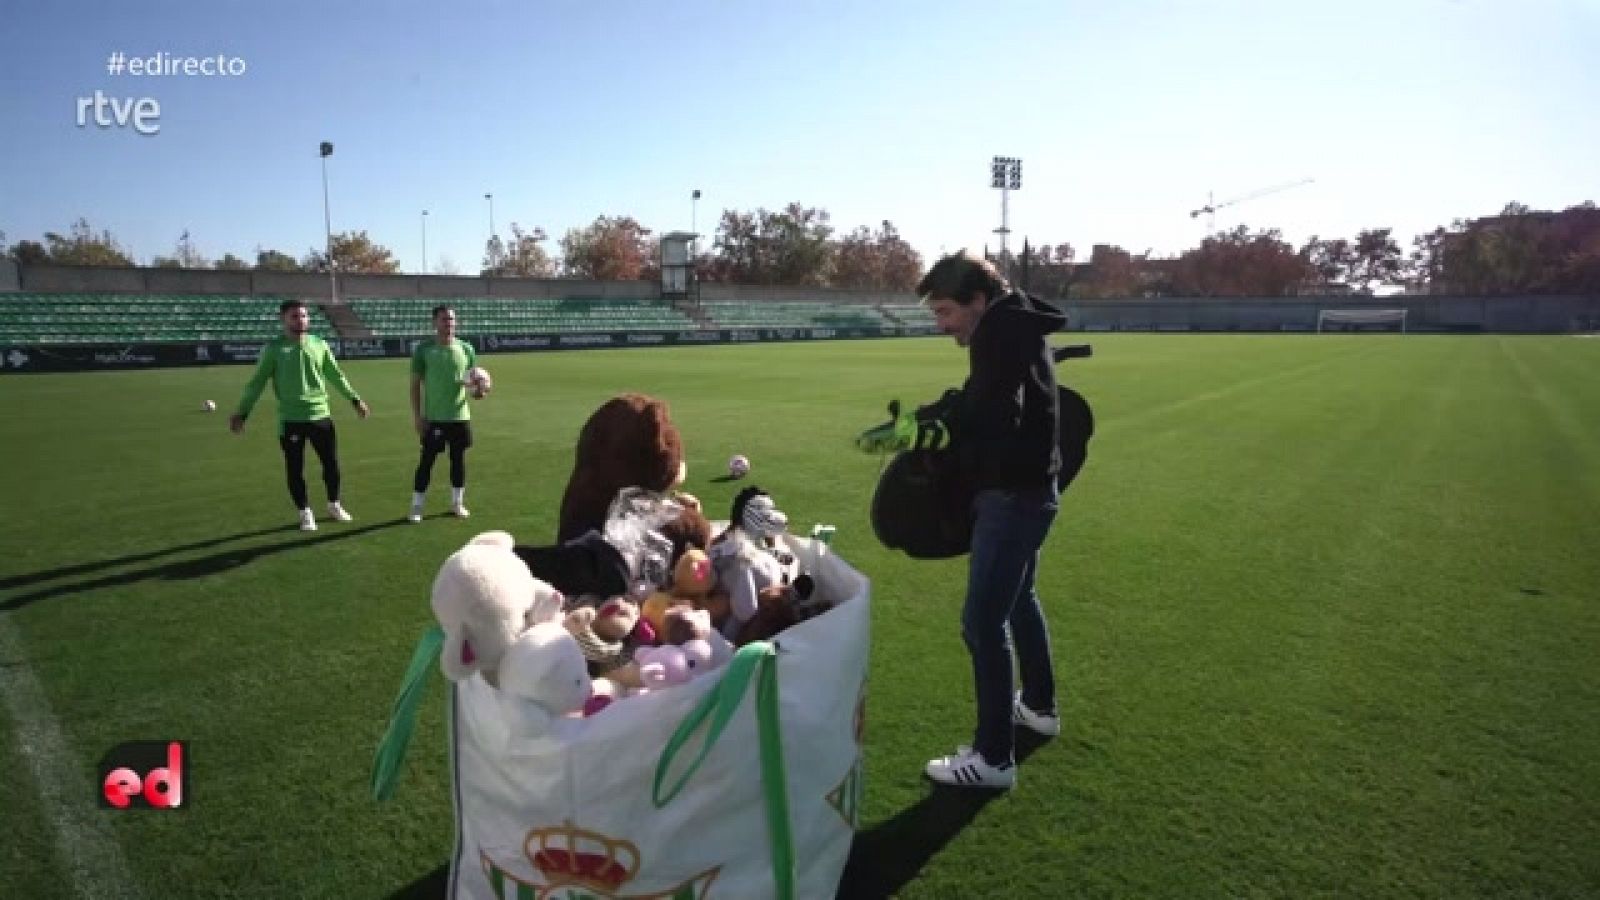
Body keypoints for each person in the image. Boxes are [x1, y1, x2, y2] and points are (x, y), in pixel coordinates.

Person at [917, 250, 1067, 790]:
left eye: (946, 313)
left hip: (1011, 499)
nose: (942, 326)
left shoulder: (997, 338)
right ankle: (1041, 709)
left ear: (978, 302)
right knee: (1019, 600)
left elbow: (994, 417)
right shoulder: (1017, 328)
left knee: (982, 623)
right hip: (1034, 492)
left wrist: (934, 429)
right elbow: (995, 407)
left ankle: (993, 758)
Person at [231, 300, 370, 531]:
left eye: (304, 315)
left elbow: (336, 375)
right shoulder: (274, 349)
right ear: (283, 319)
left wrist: (355, 399)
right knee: (295, 468)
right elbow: (256, 383)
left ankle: (334, 504)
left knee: (331, 465)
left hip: (320, 416)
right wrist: (242, 412)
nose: (301, 320)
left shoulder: (319, 344)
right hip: (291, 420)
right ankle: (305, 512)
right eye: (294, 316)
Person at [408, 305, 478, 522]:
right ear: (434, 323)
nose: (448, 323)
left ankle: (457, 503)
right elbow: (415, 385)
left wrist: (479, 390)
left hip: (460, 416)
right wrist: (418, 416)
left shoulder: (466, 349)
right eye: (443, 319)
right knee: (427, 461)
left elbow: (471, 382)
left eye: (451, 320)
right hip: (435, 418)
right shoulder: (424, 350)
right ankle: (417, 505)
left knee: (458, 461)